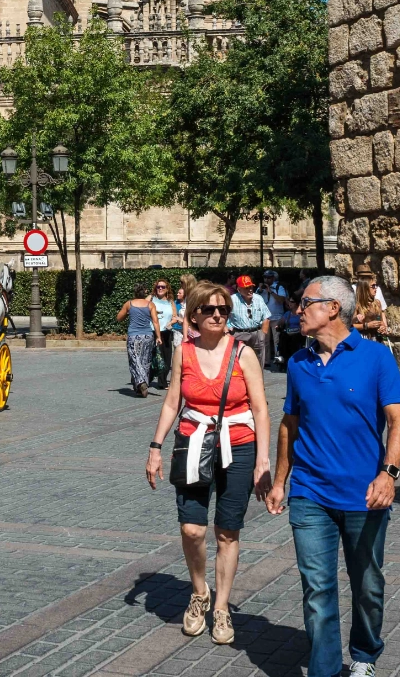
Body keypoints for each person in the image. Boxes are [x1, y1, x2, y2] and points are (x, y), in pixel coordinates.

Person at [264, 275, 400, 677]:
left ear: (332, 308)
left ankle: (364, 655)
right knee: (318, 588)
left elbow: (397, 421)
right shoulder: (297, 363)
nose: (296, 310)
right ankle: (324, 669)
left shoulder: (376, 358)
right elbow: (289, 425)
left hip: (365, 494)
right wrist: (280, 482)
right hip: (309, 493)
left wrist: (388, 474)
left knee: (367, 586)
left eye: (304, 303)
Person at [145, 276, 271, 646]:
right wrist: (155, 447)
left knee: (227, 531)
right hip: (193, 440)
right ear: (195, 314)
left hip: (239, 445)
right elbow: (172, 402)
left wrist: (263, 459)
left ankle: (221, 606)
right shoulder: (183, 352)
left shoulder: (243, 353)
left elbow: (261, 409)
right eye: (209, 309)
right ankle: (199, 592)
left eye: (223, 309)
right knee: (192, 529)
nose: (217, 315)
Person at [228, 275, 273, 371]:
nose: (250, 290)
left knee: (258, 364)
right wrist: (228, 327)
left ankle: (258, 384)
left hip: (256, 334)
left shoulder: (258, 298)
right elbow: (224, 316)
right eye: (246, 288)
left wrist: (262, 335)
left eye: (251, 287)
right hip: (239, 334)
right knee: (238, 363)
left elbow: (266, 317)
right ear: (239, 289)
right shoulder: (232, 300)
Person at [119, 281, 156, 397]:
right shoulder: (150, 304)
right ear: (144, 293)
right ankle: (140, 386)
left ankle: (140, 382)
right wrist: (158, 337)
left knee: (134, 360)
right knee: (145, 360)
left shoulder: (129, 304)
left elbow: (119, 318)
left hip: (134, 336)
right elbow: (155, 322)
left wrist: (127, 313)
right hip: (148, 336)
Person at [150, 279, 177, 389]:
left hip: (166, 332)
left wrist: (170, 323)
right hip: (153, 331)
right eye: (158, 287)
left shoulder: (170, 301)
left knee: (166, 357)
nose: (160, 288)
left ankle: (163, 380)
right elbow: (141, 307)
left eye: (163, 287)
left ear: (167, 289)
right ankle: (149, 379)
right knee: (154, 356)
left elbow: (175, 316)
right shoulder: (151, 299)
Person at [353, 274, 386, 342]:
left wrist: (382, 327)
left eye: (376, 285)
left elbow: (381, 322)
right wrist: (367, 325)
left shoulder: (377, 303)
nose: (375, 288)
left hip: (376, 338)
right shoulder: (357, 305)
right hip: (362, 339)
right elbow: (351, 326)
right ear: (365, 288)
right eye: (373, 286)